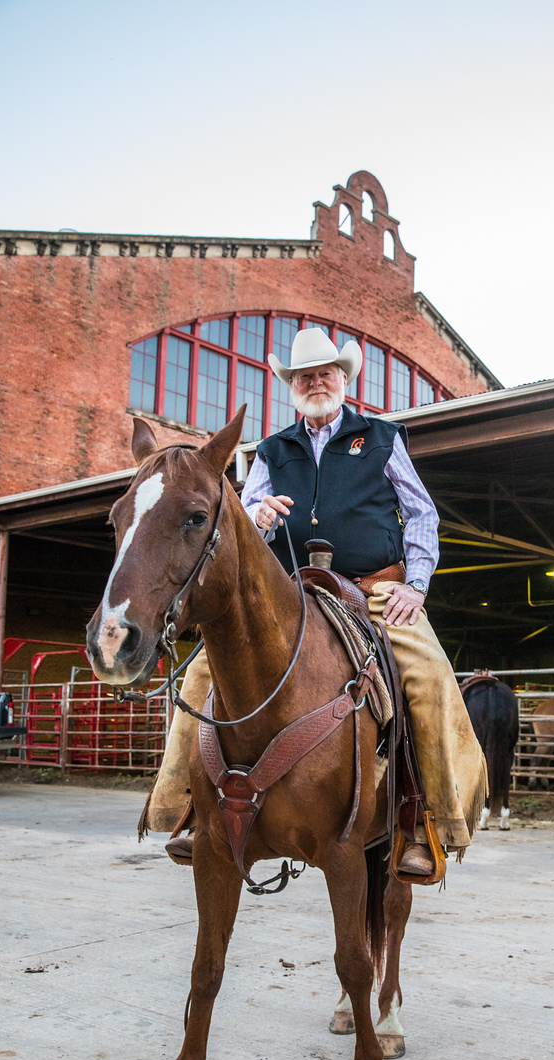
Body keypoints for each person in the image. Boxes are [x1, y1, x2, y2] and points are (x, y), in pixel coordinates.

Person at [150, 329, 486, 877]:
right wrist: (256, 517)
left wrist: (416, 586)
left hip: (374, 587)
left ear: (344, 379)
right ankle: (187, 808)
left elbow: (422, 515)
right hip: (289, 589)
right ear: (292, 387)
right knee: (204, 670)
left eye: (325, 373)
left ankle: (426, 822)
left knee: (426, 673)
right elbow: (237, 522)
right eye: (304, 376)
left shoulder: (380, 438)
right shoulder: (270, 450)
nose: (315, 382)